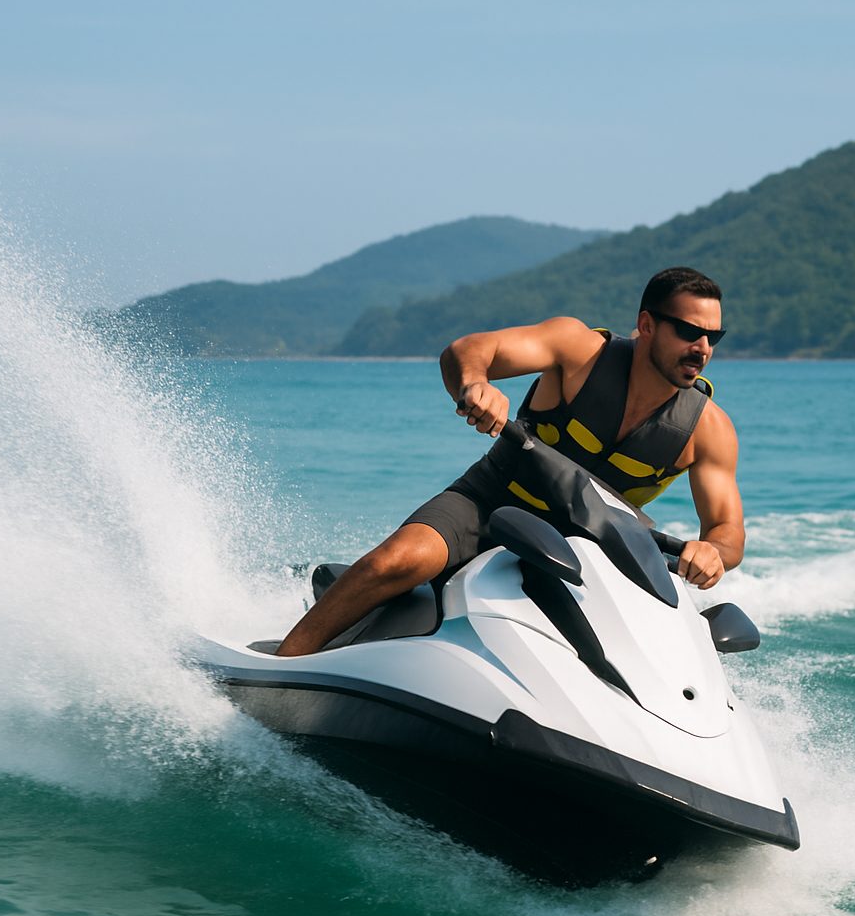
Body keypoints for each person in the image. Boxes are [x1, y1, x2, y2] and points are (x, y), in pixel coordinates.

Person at [277, 266, 744, 657]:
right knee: (398, 562)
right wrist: (475, 384)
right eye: (689, 332)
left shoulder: (709, 430)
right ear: (647, 324)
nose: (703, 348)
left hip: (587, 551)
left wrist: (713, 552)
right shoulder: (577, 350)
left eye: (713, 336)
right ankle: (284, 661)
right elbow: (467, 351)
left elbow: (727, 531)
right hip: (490, 504)